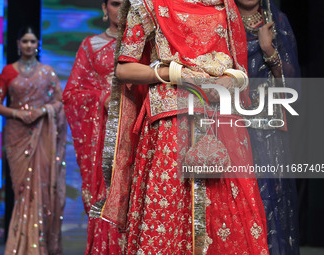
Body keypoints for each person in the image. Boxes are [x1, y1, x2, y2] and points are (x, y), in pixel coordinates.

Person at [100, 0, 271, 254]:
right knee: (168, 217)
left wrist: (229, 79)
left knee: (230, 219)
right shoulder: (148, 5)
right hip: (170, 125)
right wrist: (174, 74)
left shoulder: (224, 6)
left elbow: (240, 70)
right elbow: (124, 69)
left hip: (220, 124)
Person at [0, 26, 66, 255]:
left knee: (42, 189)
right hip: (17, 135)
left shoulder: (48, 72)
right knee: (22, 190)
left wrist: (43, 109)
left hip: (41, 134)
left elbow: (59, 102)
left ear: (38, 44)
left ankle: (39, 246)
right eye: (24, 41)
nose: (28, 45)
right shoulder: (8, 71)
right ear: (17, 44)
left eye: (32, 41)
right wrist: (18, 114)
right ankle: (20, 246)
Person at [235, 0, 300, 254]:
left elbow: (291, 79)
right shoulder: (220, 21)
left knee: (270, 199)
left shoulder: (277, 21)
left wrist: (267, 48)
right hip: (231, 122)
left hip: (267, 127)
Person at [62, 0, 126, 254]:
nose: (120, 10)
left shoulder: (147, 45)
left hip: (136, 131)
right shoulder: (90, 46)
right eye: (115, 3)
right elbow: (72, 93)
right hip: (103, 135)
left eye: (126, 4)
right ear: (104, 8)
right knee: (107, 194)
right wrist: (102, 98)